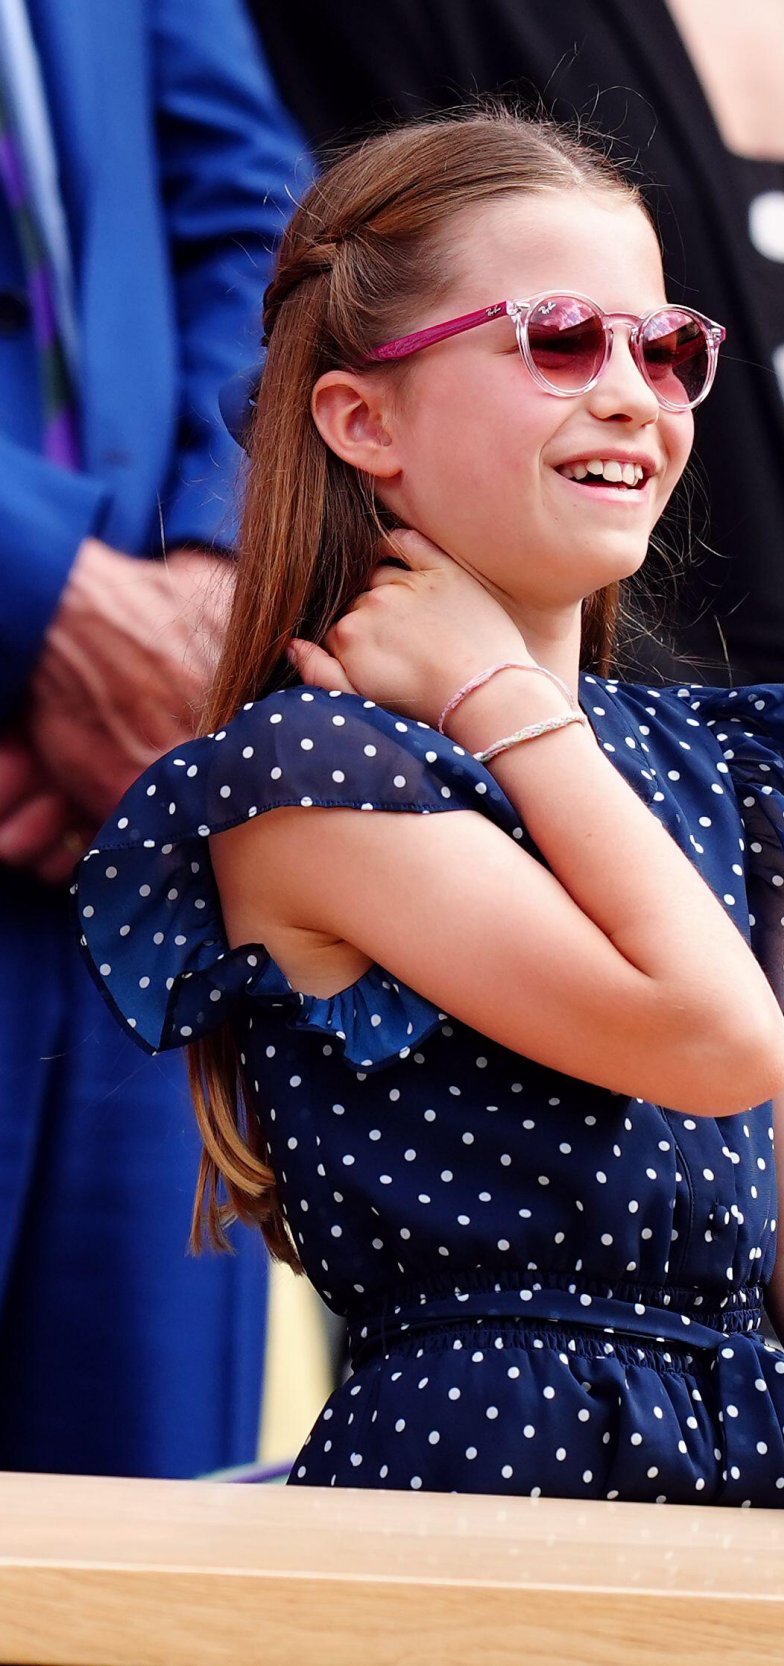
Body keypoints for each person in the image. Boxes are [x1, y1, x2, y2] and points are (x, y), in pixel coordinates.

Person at [74, 110, 784, 1585]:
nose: (632, 395)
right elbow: (716, 1037)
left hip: (745, 1502)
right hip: (466, 1518)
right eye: (561, 338)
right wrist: (515, 704)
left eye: (665, 351)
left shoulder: (717, 771)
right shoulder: (314, 775)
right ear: (362, 421)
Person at [0, 0, 302, 1476]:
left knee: (140, 1562)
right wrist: (39, 597)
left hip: (136, 845)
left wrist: (218, 582)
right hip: (94, 722)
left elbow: (248, 205)